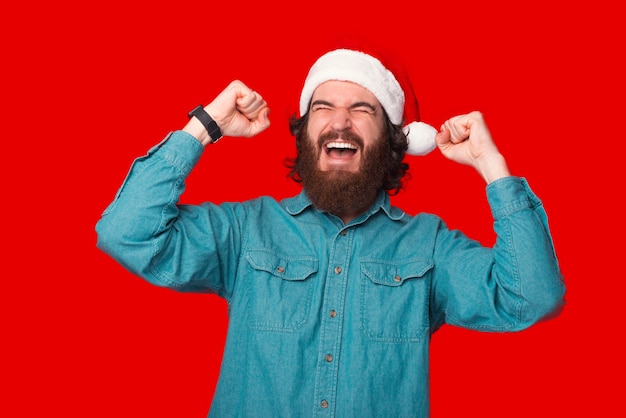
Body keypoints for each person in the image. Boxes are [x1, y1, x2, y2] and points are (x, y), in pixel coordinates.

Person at [96, 42, 566, 417]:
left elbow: (532, 296)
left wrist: (492, 166)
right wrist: (206, 126)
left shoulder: (430, 246)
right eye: (323, 107)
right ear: (304, 132)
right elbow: (127, 232)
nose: (340, 121)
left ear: (393, 139)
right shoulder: (246, 230)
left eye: (363, 109)